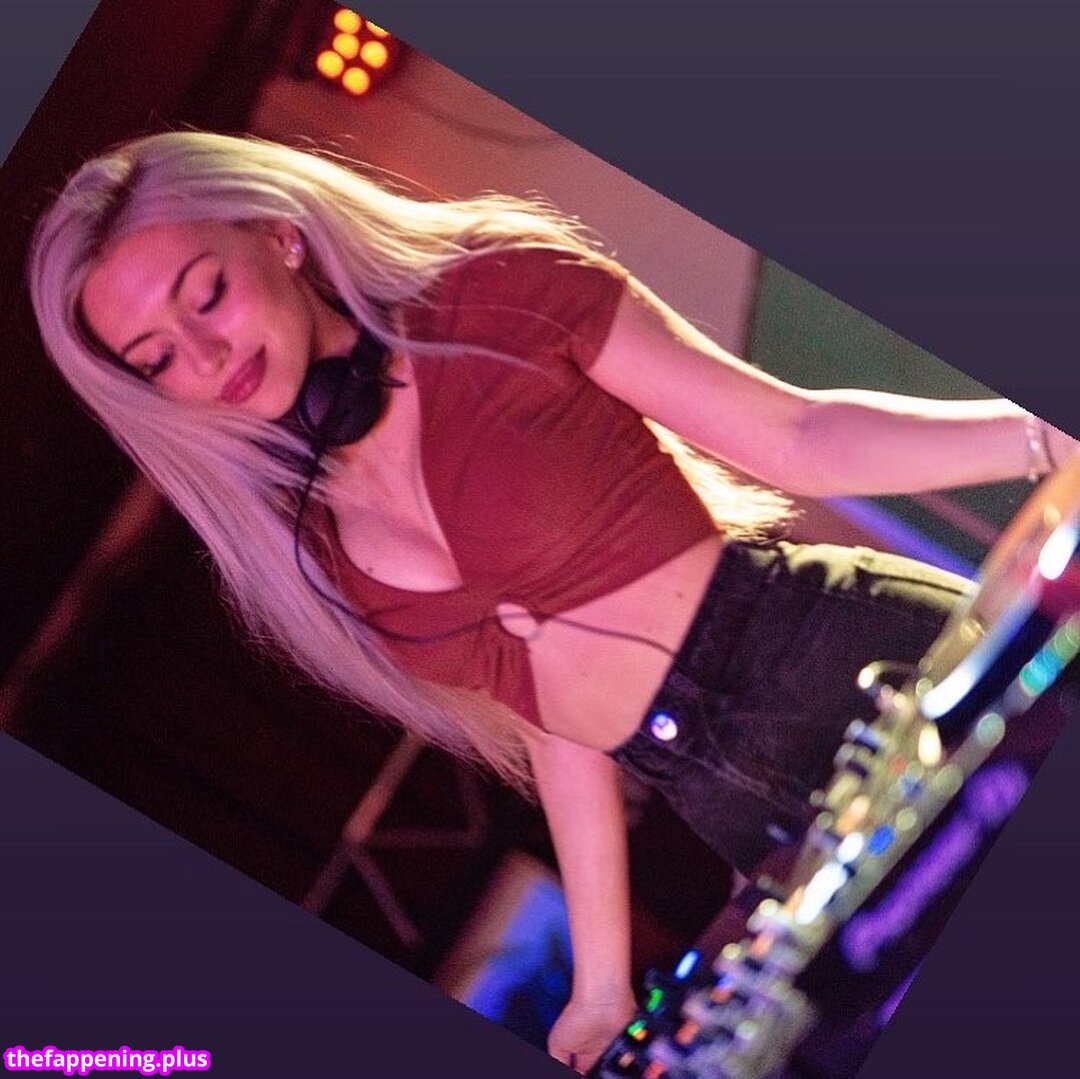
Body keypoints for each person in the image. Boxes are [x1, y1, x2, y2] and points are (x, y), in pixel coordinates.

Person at [28, 131, 1076, 1072]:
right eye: (157, 359)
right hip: (737, 815)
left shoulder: (492, 291)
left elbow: (795, 436)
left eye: (206, 294)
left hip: (852, 669)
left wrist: (1035, 433)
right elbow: (553, 717)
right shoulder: (309, 545)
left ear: (279, 235)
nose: (204, 357)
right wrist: (601, 980)